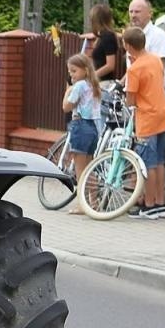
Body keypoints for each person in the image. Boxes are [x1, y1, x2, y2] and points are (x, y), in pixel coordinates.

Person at [122, 26, 165, 219]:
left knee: (149, 163)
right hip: (164, 114)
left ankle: (150, 204)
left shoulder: (135, 69)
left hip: (147, 118)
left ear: (128, 46)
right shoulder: (154, 60)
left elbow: (130, 100)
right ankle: (160, 203)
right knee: (161, 162)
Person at [61, 53, 101, 211]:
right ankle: (94, 203)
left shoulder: (78, 86)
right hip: (93, 129)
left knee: (81, 170)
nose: (71, 74)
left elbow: (66, 107)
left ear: (85, 70)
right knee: (89, 166)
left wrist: (66, 92)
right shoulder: (93, 85)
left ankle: (82, 205)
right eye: (70, 72)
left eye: (74, 71)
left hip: (80, 126)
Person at [126, 0, 165, 71]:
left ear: (150, 14)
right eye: (131, 12)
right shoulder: (131, 35)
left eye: (137, 12)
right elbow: (131, 68)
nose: (133, 15)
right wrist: (121, 82)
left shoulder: (159, 36)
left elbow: (158, 68)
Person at [87, 3, 120, 90]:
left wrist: (92, 76)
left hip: (104, 83)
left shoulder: (107, 37)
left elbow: (110, 65)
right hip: (99, 81)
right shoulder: (102, 35)